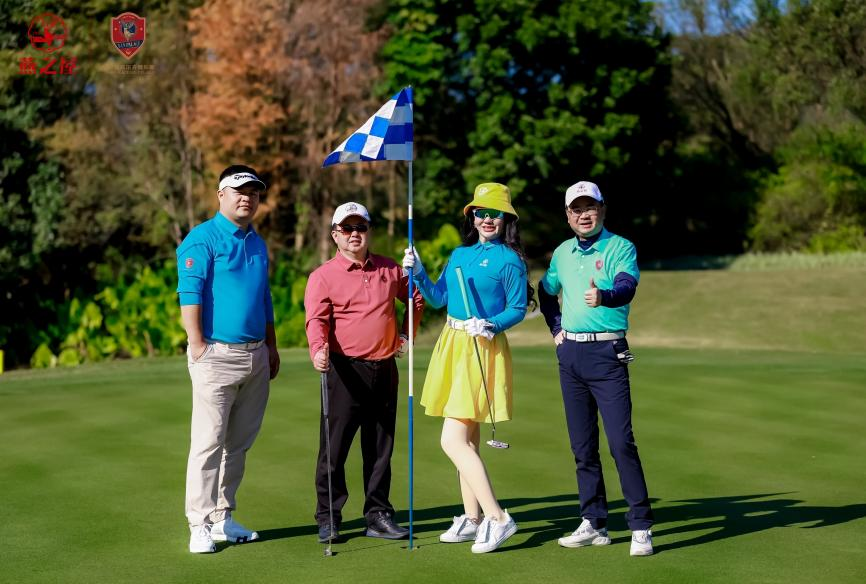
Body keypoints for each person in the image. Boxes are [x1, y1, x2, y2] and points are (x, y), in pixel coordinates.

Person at [401, 182, 533, 554]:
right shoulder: (460, 254)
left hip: (482, 346)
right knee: (469, 441)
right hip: (453, 344)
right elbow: (439, 297)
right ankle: (473, 519)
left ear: (506, 219)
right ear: (472, 217)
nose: (487, 219)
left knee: (452, 440)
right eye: (481, 212)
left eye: (495, 214)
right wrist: (418, 272)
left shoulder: (510, 260)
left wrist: (491, 323)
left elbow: (517, 308)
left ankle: (498, 518)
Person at [538, 180, 654, 556]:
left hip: (608, 353)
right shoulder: (562, 252)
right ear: (568, 215)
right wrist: (556, 328)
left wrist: (604, 296)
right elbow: (545, 291)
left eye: (590, 207)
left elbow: (626, 287)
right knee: (583, 446)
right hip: (571, 354)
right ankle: (594, 522)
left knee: (621, 442)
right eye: (577, 209)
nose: (584, 215)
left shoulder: (620, 247)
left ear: (602, 210)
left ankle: (640, 525)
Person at [176, 164, 281, 554]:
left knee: (237, 445)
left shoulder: (257, 242)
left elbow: (264, 297)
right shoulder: (202, 238)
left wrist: (271, 346)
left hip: (256, 355)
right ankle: (199, 524)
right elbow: (190, 293)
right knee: (208, 443)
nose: (247, 198)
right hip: (216, 356)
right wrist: (197, 345)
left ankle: (222, 517)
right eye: (240, 191)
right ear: (221, 194)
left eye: (253, 192)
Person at [304, 202, 424, 543]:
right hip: (343, 369)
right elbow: (317, 320)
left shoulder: (391, 268)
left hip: (384, 368)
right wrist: (318, 349)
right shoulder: (323, 276)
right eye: (347, 228)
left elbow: (414, 299)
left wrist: (406, 335)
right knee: (334, 449)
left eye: (361, 227)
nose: (354, 234)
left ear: (368, 231)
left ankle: (378, 515)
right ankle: (329, 517)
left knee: (380, 447)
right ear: (335, 235)